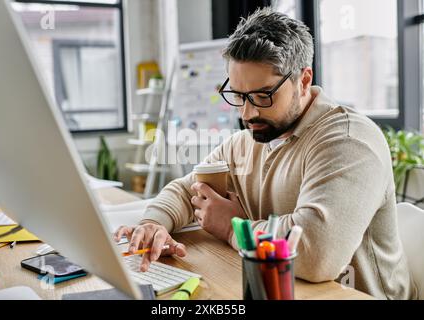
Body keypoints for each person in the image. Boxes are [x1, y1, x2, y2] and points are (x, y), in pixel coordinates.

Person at [114, 7, 417, 299]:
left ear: (304, 80)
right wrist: (153, 224)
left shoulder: (347, 142)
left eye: (263, 95)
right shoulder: (249, 139)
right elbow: (186, 189)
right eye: (238, 95)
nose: (247, 113)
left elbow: (316, 253)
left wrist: (234, 228)